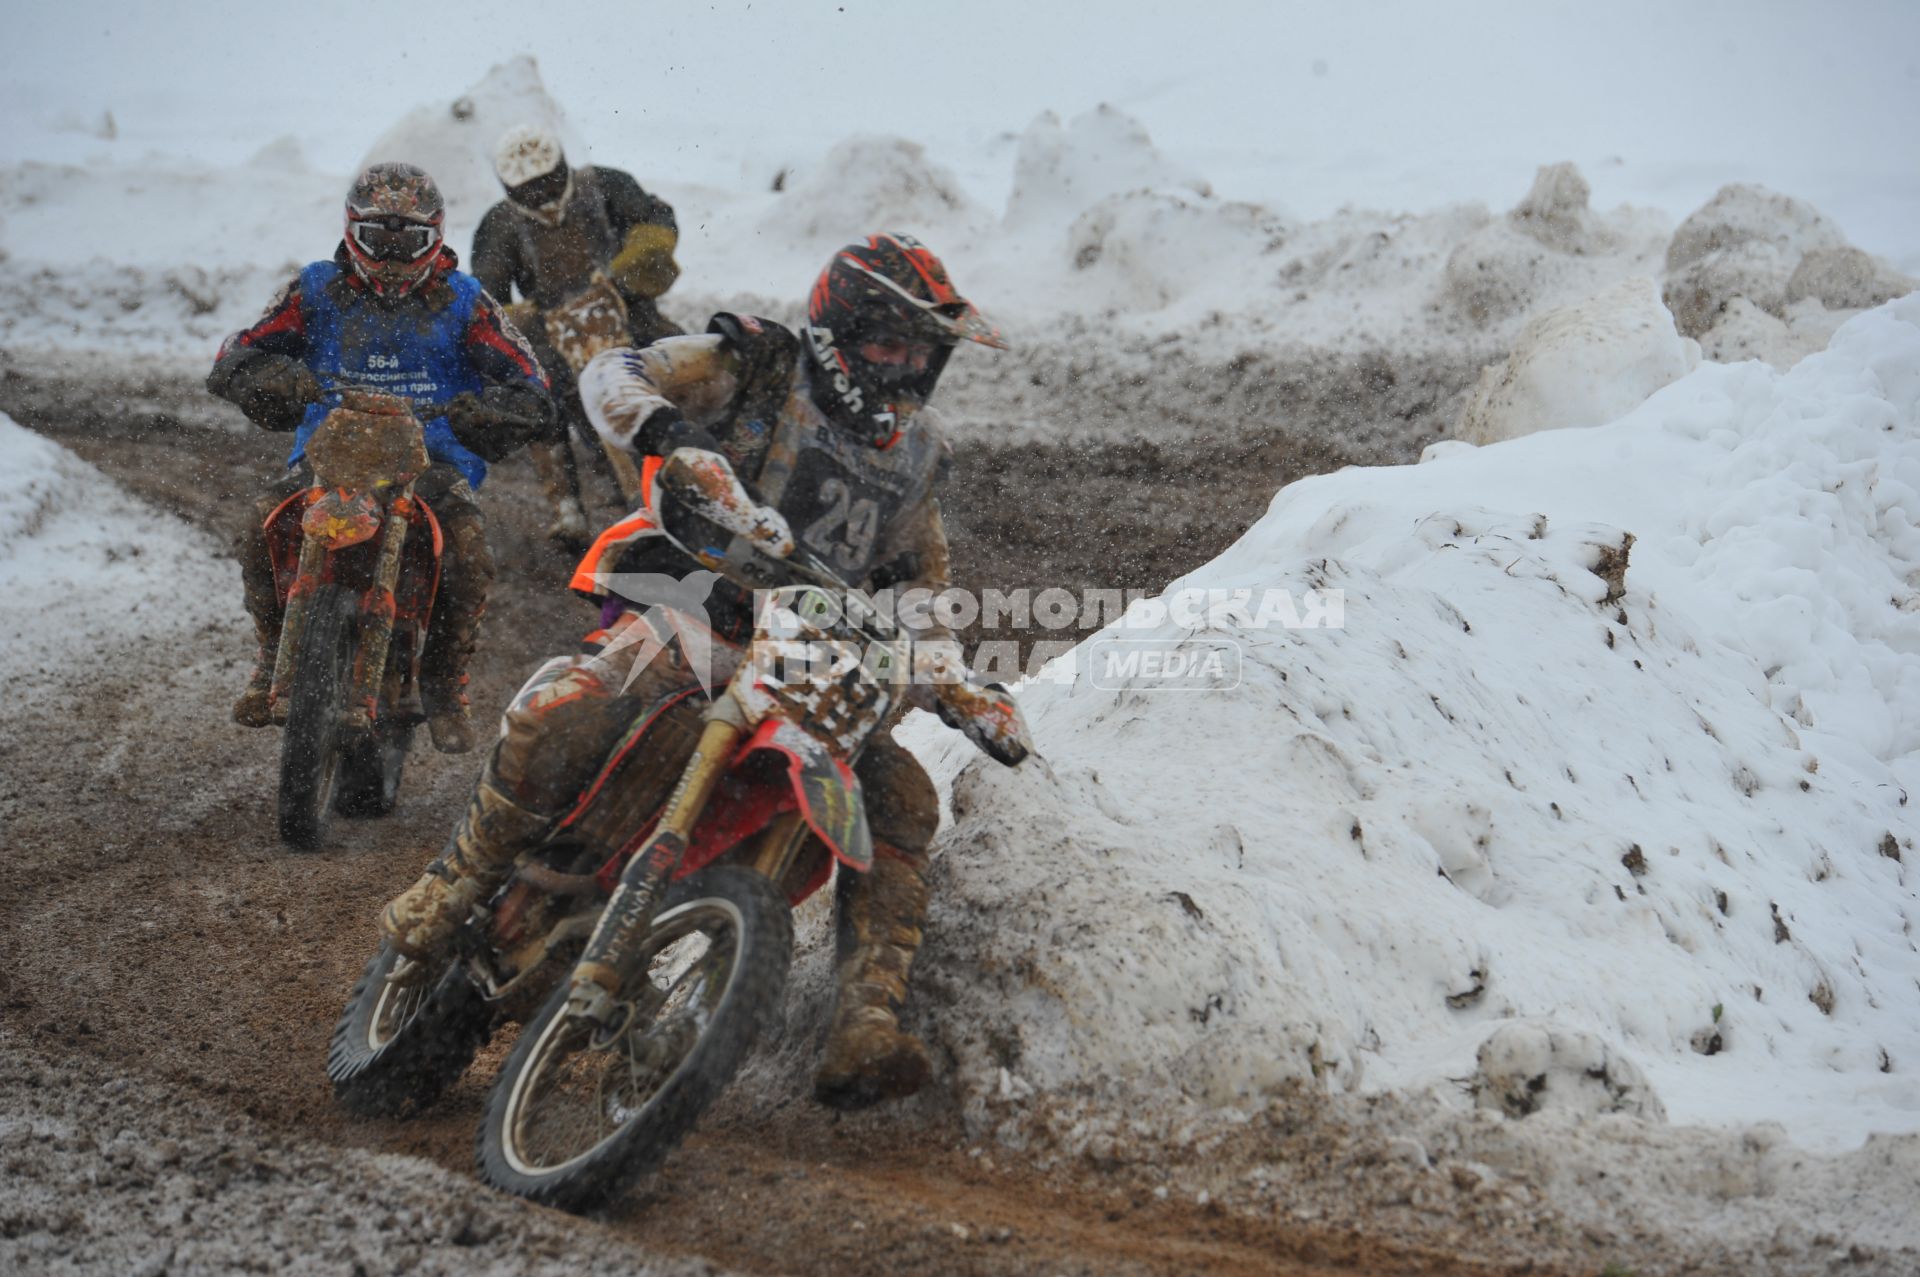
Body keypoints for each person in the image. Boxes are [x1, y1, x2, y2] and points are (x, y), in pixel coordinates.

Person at [379, 233, 1032, 1108]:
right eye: (892, 343)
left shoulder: (919, 459)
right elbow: (613, 371)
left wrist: (958, 684)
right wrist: (680, 442)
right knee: (590, 703)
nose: (908, 366)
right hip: (693, 593)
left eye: (924, 351)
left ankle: (864, 1024)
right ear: (842, 332)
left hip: (810, 659)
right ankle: (452, 882)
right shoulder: (756, 363)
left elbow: (921, 585)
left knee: (904, 795)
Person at [208, 162, 553, 754]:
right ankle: (271, 656)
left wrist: (490, 408)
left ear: (434, 239)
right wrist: (276, 376)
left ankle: (445, 682)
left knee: (467, 549)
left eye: (408, 241)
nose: (392, 257)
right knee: (258, 527)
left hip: (431, 459)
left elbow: (532, 381)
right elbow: (235, 353)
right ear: (352, 233)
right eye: (378, 239)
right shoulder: (314, 289)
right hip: (329, 452)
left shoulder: (466, 300)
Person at [471, 124, 684, 546]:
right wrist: (524, 315)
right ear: (510, 189)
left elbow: (656, 219)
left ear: (562, 167)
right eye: (530, 190)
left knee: (685, 359)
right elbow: (487, 300)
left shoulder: (604, 184)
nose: (544, 196)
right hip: (552, 330)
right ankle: (566, 505)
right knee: (539, 395)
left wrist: (632, 266)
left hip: (626, 306)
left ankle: (724, 446)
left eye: (547, 182)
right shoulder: (500, 225)